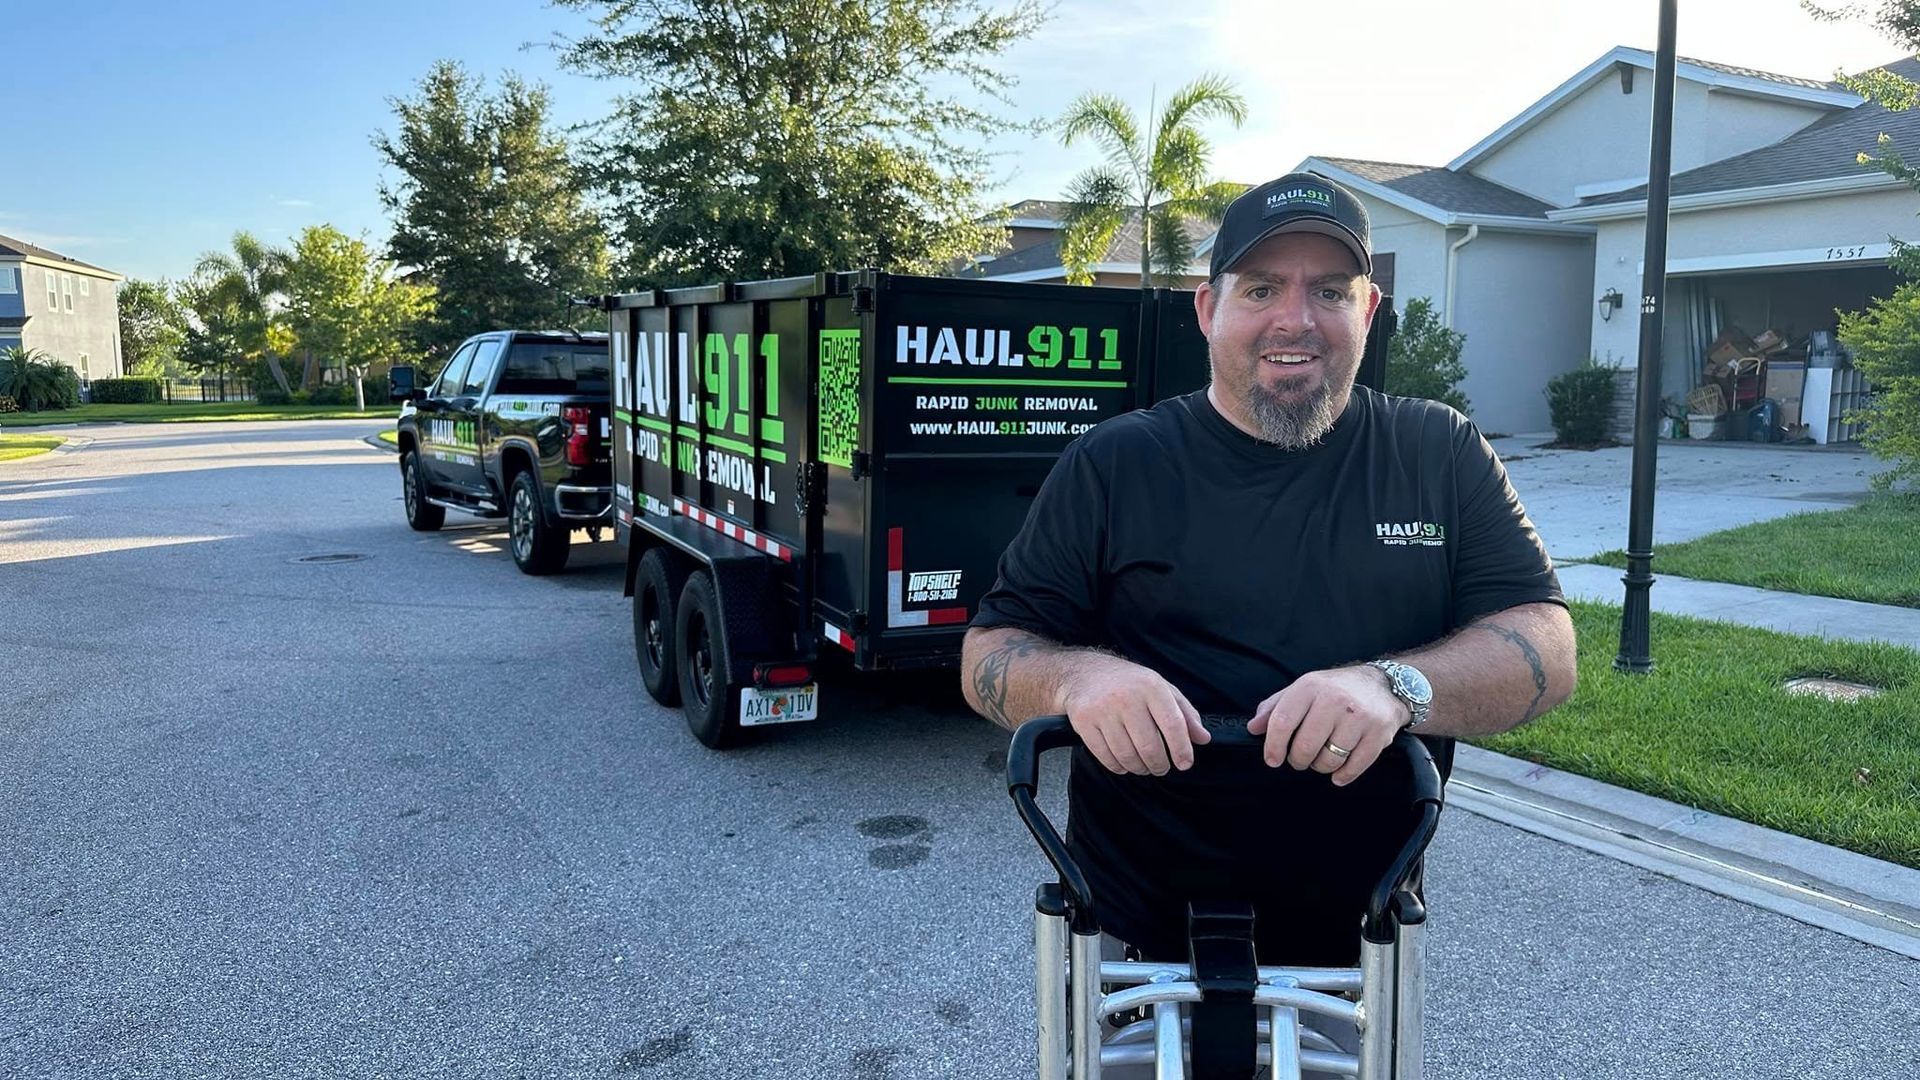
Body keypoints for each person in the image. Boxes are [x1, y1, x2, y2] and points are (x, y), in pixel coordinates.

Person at [960, 171, 1577, 966]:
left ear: (1369, 310)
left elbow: (1548, 648)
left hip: (1365, 939)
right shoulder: (1116, 463)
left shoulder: (1440, 452)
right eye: (1261, 289)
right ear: (1209, 311)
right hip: (1131, 933)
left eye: (1329, 290)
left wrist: (1392, 686)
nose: (1297, 319)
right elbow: (991, 650)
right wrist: (1078, 683)